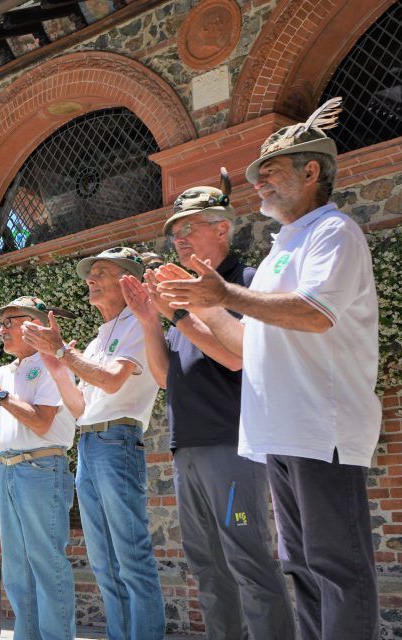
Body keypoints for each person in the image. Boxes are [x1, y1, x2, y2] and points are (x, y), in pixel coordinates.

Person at [157, 97, 380, 640]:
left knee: (336, 567)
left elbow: (314, 314)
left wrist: (223, 291)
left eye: (271, 172)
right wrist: (199, 308)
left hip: (320, 425)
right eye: (256, 175)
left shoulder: (334, 231)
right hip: (278, 431)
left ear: (311, 171)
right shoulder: (284, 247)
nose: (259, 183)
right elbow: (247, 344)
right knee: (301, 568)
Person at [122, 182, 293, 639]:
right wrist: (149, 321)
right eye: (174, 232)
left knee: (247, 557)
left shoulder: (248, 283)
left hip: (233, 444)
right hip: (188, 448)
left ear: (222, 229)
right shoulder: (183, 298)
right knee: (206, 565)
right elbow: (163, 377)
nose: (178, 239)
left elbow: (237, 356)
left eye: (189, 228)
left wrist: (180, 314)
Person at [23, 247, 164, 640]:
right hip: (90, 442)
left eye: (102, 271)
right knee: (104, 563)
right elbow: (81, 405)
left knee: (131, 559)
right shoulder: (102, 334)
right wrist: (57, 366)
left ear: (127, 280)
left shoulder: (138, 322)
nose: (91, 278)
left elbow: (113, 381)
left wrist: (63, 352)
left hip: (118, 440)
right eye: (91, 272)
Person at [0, 300, 80, 640]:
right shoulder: (6, 371)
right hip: (9, 470)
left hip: (41, 466)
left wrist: (0, 395)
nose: (2, 329)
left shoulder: (52, 363)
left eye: (10, 321)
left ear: (36, 324)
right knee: (17, 572)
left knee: (46, 564)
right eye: (1, 322)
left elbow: (41, 421)